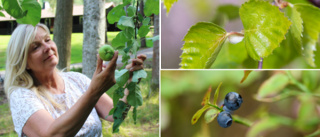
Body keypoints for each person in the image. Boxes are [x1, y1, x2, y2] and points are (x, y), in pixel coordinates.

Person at [4, 23, 146, 136]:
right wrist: (94, 91)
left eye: (47, 39)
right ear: (24, 62)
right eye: (36, 47)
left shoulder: (76, 79)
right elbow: (53, 134)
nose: (47, 47)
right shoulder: (22, 96)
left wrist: (130, 84)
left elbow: (115, 115)